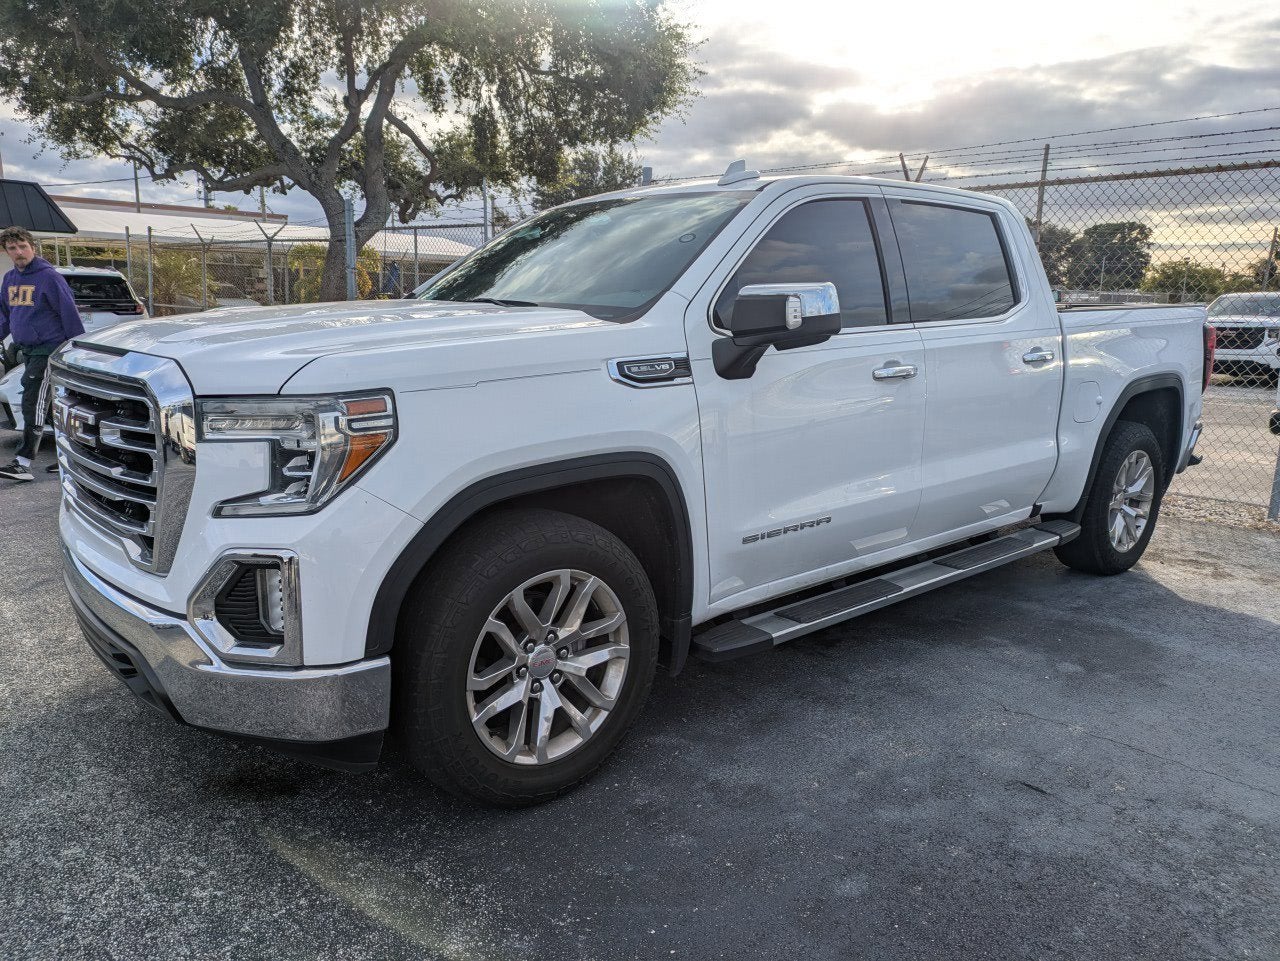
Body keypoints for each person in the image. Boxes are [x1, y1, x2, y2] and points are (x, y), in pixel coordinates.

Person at [0, 226, 84, 482]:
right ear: (6, 251)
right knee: (51, 407)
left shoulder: (49, 277)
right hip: (27, 350)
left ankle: (23, 462)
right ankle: (69, 459)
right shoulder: (9, 279)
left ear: (32, 247)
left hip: (49, 350)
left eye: (22, 246)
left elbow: (69, 313)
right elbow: (6, 315)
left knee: (32, 402)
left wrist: (74, 349)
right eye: (12, 248)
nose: (19, 252)